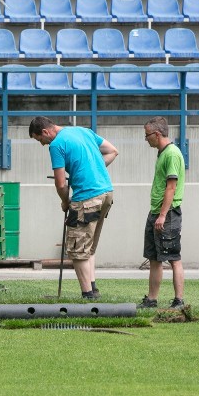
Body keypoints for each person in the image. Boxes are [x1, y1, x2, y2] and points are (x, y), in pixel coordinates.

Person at [29, 116, 118, 299]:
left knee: (77, 251)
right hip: (106, 193)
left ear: (45, 132)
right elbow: (112, 151)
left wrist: (65, 202)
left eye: (40, 140)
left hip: (86, 197)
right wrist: (89, 169)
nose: (42, 144)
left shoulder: (56, 145)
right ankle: (93, 288)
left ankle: (88, 296)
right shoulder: (83, 131)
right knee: (89, 246)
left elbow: (61, 184)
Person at [139, 116, 185, 310]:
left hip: (168, 214)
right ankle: (152, 299)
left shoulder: (172, 154)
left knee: (173, 258)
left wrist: (163, 215)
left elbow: (171, 188)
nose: (146, 139)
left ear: (157, 134)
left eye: (147, 135)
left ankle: (179, 301)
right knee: (154, 258)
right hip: (156, 212)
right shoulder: (162, 152)